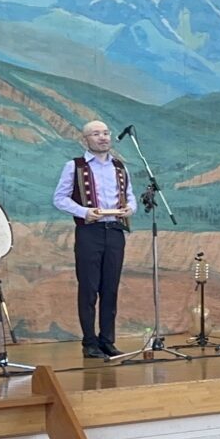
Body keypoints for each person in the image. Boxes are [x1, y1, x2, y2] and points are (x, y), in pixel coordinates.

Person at [52, 121, 137, 359]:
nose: (103, 137)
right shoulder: (75, 166)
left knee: (110, 288)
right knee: (89, 288)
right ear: (85, 139)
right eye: (96, 134)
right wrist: (84, 212)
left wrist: (130, 209)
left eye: (106, 133)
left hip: (115, 231)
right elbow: (59, 199)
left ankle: (107, 340)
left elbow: (131, 198)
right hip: (89, 232)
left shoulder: (120, 167)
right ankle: (89, 342)